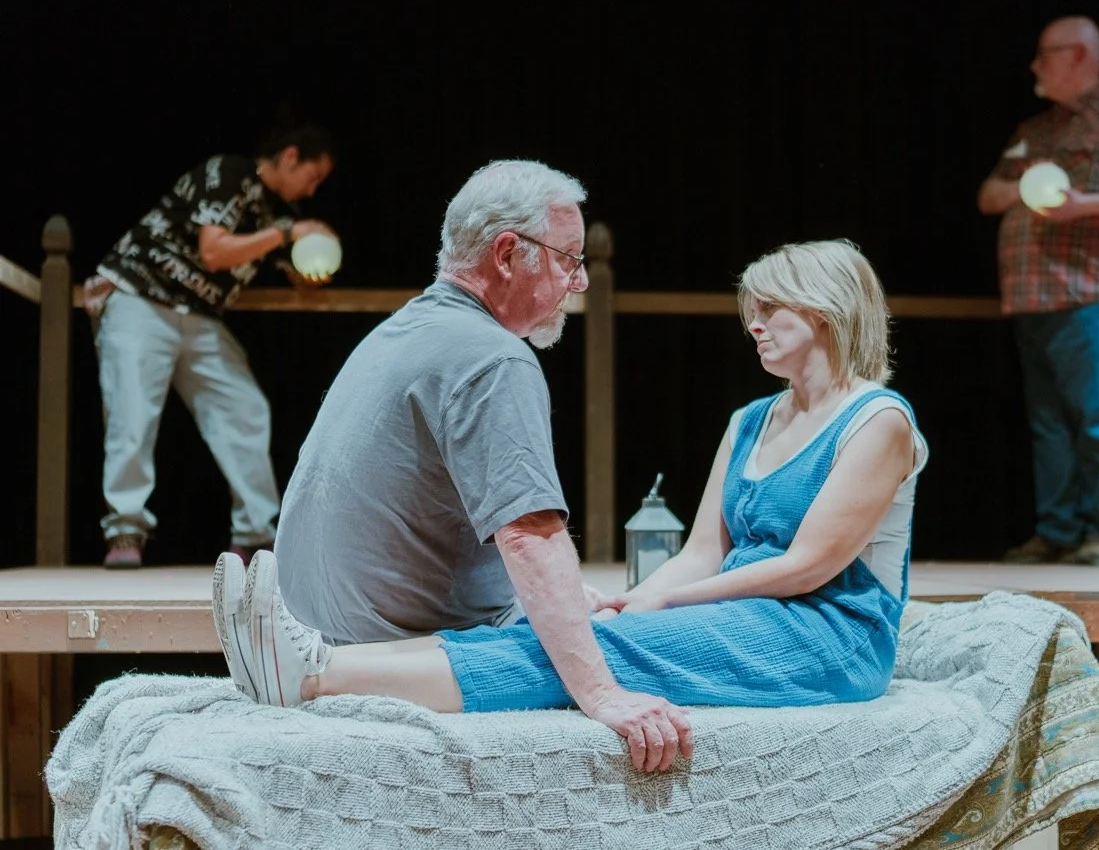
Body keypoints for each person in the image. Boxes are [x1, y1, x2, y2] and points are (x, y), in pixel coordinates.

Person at [213, 233, 929, 774]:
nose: (754, 323)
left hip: (831, 638)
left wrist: (660, 608)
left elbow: (807, 567)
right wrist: (635, 597)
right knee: (574, 630)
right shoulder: (750, 420)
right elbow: (699, 552)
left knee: (604, 650)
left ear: (827, 310)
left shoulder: (879, 420)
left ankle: (313, 674)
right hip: (744, 614)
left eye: (771, 307)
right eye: (752, 308)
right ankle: (314, 656)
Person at [86, 117, 338, 567]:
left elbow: (300, 277)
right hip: (141, 298)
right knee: (132, 413)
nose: (311, 190)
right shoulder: (230, 173)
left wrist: (316, 255)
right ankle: (126, 531)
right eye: (312, 176)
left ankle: (256, 535)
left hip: (199, 319)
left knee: (243, 408)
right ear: (290, 156)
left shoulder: (280, 215)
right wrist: (285, 235)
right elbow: (214, 251)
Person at [976, 16, 1099, 567]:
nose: (1035, 65)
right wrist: (1028, 187)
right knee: (1048, 426)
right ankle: (1058, 530)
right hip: (1031, 299)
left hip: (1090, 295)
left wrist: (1082, 205)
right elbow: (989, 195)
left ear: (1081, 56)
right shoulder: (1033, 132)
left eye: (1047, 54)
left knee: (1098, 418)